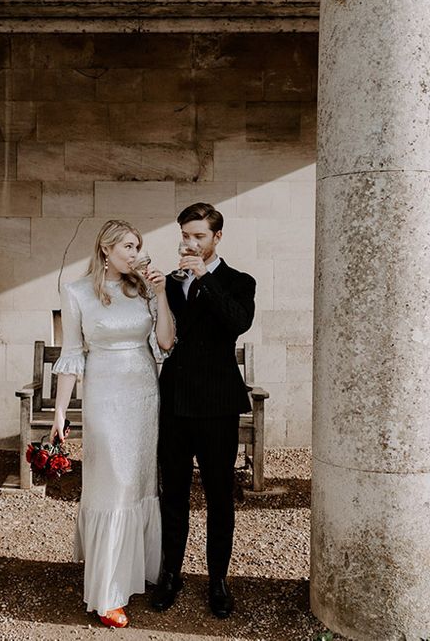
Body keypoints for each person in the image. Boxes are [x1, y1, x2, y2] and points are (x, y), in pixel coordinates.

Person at [49, 219, 175, 629]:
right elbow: (71, 356)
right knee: (114, 481)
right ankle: (107, 592)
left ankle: (137, 570)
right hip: (104, 395)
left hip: (143, 391)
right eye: (126, 247)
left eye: (137, 247)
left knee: (139, 480)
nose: (134, 254)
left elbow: (165, 342)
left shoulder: (143, 288)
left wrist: (161, 293)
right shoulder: (77, 292)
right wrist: (60, 413)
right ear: (105, 249)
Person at [151, 202, 256, 619]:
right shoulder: (173, 283)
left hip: (217, 404)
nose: (189, 243)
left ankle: (217, 580)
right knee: (172, 494)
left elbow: (237, 322)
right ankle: (171, 575)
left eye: (198, 236)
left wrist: (202, 277)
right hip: (175, 402)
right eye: (185, 235)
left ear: (217, 237)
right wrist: (161, 289)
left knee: (219, 497)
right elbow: (166, 334)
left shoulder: (239, 281)